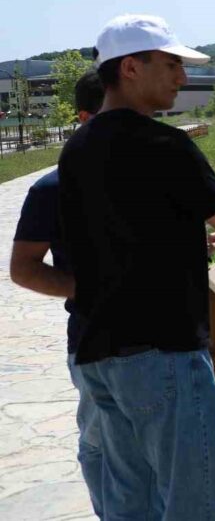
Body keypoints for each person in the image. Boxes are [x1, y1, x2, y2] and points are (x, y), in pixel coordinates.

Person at [58, 14, 215, 520]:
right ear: (130, 69)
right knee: (193, 502)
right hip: (164, 355)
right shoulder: (166, 146)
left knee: (130, 503)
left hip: (100, 356)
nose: (182, 79)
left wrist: (187, 242)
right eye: (171, 65)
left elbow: (118, 237)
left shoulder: (77, 149)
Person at [10, 71, 106, 515]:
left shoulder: (153, 178)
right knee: (100, 444)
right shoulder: (50, 188)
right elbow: (24, 269)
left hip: (168, 346)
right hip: (92, 344)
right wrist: (91, 289)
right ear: (85, 118)